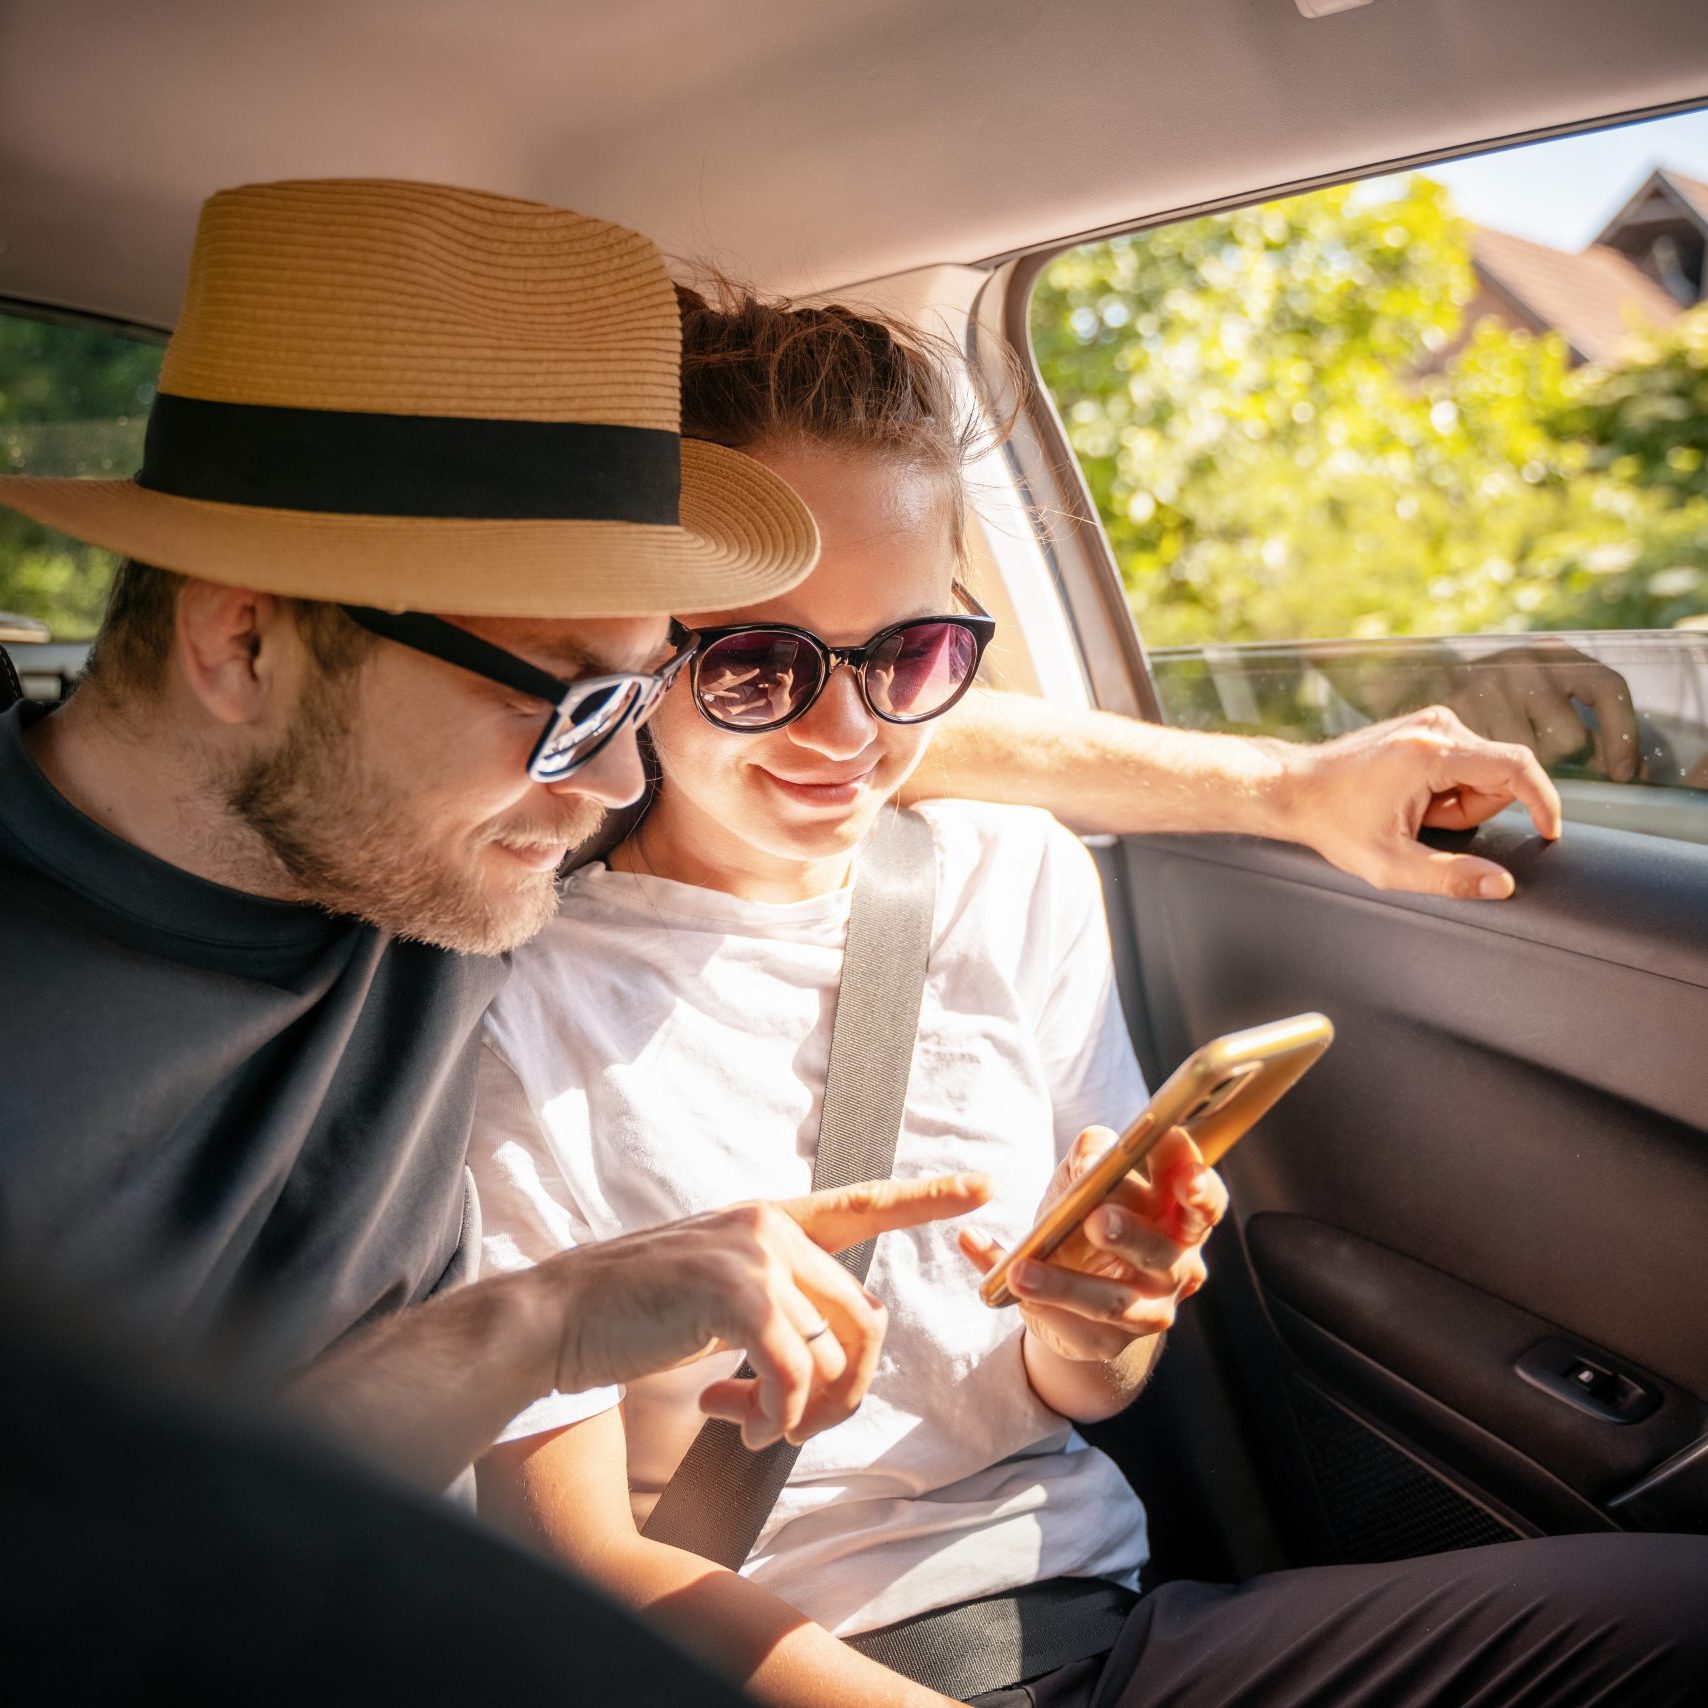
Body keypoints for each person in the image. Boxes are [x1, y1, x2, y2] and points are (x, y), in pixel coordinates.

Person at [1, 174, 1562, 1488]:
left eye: (642, 694)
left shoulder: (427, 832)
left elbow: (877, 736)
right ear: (242, 647)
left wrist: (1280, 792)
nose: (617, 790)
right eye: (575, 709)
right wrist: (536, 1327)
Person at [469, 288, 1708, 1708]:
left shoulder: (1012, 879)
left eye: (911, 657)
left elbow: (1071, 1392)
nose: (850, 736)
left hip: (1102, 1638)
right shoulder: (515, 993)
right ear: (634, 646)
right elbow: (568, 1567)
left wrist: (1096, 1325)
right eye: (757, 665)